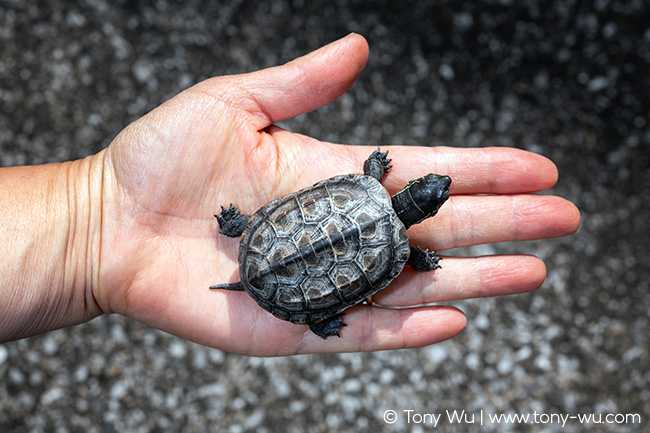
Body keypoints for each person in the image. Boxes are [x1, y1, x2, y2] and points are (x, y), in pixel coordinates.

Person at [0, 34, 580, 355]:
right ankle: (302, 302)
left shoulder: (365, 184)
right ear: (421, 208)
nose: (436, 191)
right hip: (294, 275)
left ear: (417, 200)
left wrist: (373, 174)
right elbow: (397, 261)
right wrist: (416, 256)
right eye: (436, 194)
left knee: (283, 236)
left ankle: (242, 228)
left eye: (433, 194)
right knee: (329, 287)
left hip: (268, 242)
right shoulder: (397, 246)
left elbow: (351, 196)